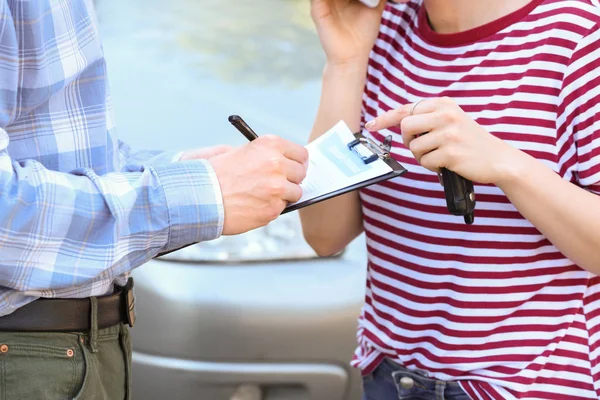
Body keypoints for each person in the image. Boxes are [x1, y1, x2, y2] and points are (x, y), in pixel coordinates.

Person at [0, 1, 308, 399]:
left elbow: (54, 147)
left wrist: (186, 171)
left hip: (69, 347)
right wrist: (201, 193)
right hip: (25, 355)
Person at [302, 0, 600, 399]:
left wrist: (507, 164)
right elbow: (325, 235)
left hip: (524, 384)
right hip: (390, 377)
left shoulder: (580, 38)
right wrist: (345, 64)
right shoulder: (380, 29)